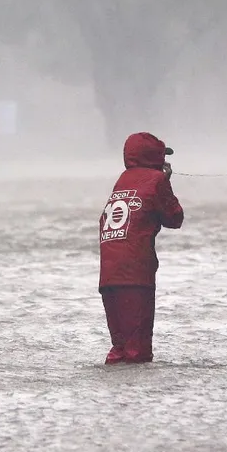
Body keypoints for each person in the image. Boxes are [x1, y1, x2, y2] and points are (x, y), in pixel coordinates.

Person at [98, 132, 184, 364]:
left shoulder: (122, 180)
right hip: (135, 276)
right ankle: (138, 398)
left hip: (108, 276)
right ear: (154, 157)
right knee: (138, 352)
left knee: (119, 348)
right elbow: (175, 218)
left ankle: (112, 394)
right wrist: (166, 181)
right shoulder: (156, 180)